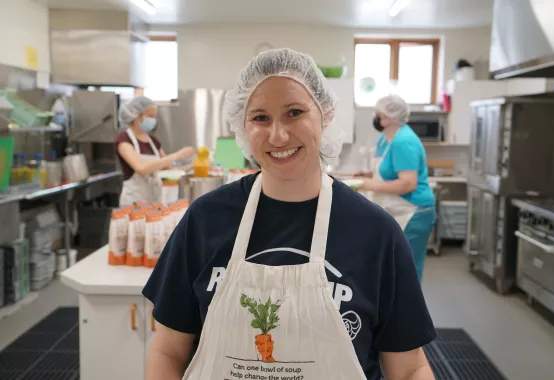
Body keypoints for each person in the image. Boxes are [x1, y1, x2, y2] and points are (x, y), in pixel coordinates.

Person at [142, 48, 436, 380]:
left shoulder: (375, 233)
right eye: (260, 118)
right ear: (242, 125)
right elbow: (168, 351)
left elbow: (410, 369)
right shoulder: (205, 220)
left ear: (324, 114)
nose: (278, 135)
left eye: (294, 112)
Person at [357, 94, 436, 282]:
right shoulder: (385, 139)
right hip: (394, 209)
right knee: (390, 266)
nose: (375, 118)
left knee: (407, 268)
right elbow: (388, 172)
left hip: (412, 211)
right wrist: (367, 175)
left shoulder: (404, 141)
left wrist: (371, 185)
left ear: (391, 117)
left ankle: (409, 310)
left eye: (379, 114)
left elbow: (408, 183)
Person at [115, 96, 196, 206]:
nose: (153, 120)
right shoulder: (124, 139)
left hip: (153, 201)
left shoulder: (153, 141)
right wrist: (177, 155)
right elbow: (142, 168)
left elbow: (170, 171)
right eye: (150, 116)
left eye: (154, 116)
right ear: (136, 116)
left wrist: (193, 166)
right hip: (133, 201)